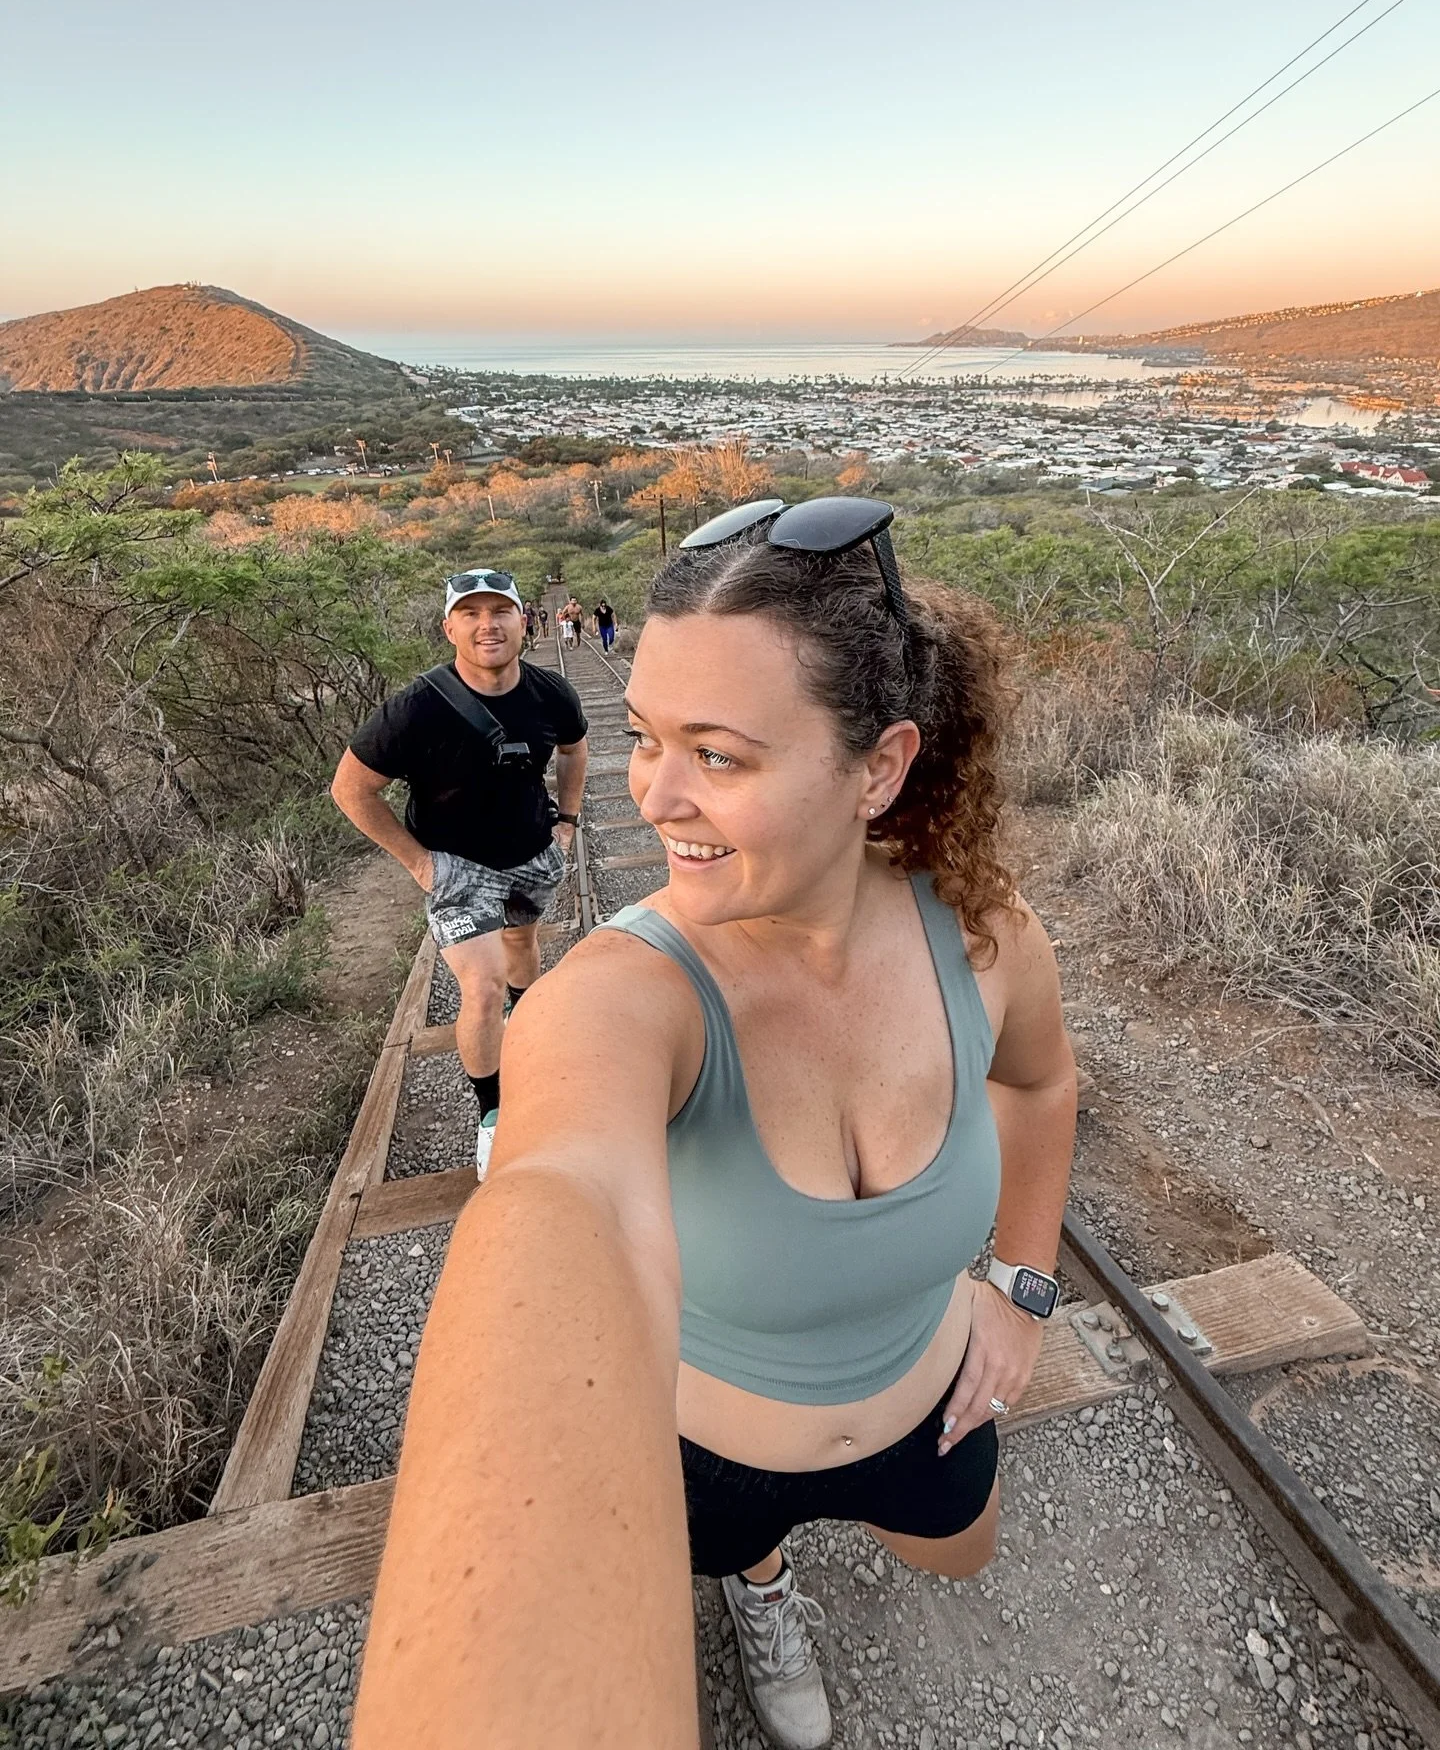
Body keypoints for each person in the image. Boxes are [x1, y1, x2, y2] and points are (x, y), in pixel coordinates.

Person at [355, 500, 1076, 1749]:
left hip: (934, 1407)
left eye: (719, 756)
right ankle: (761, 1583)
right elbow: (557, 1201)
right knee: (739, 1546)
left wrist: (1022, 1285)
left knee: (962, 1550)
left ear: (880, 768)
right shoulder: (619, 1002)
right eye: (644, 739)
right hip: (707, 1458)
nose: (656, 796)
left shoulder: (982, 932)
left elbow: (1039, 1085)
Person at [330, 567, 588, 1177]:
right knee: (483, 985)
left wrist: (568, 820)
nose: (486, 625)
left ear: (524, 621)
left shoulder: (551, 693)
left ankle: (526, 1030)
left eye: (499, 611)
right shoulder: (414, 708)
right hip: (458, 871)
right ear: (449, 628)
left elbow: (574, 749)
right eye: (470, 614)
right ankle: (494, 1115)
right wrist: (420, 863)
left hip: (532, 854)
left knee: (522, 944)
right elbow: (350, 789)